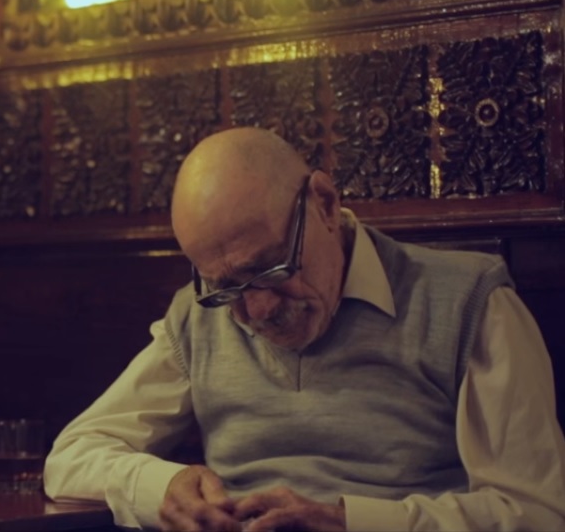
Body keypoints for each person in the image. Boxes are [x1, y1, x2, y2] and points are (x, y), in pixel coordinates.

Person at [43, 127, 565, 531]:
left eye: (271, 268)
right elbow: (72, 458)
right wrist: (164, 486)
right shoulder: (199, 315)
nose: (257, 308)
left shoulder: (469, 301)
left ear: (326, 204)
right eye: (226, 287)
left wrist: (352, 523)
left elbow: (535, 514)